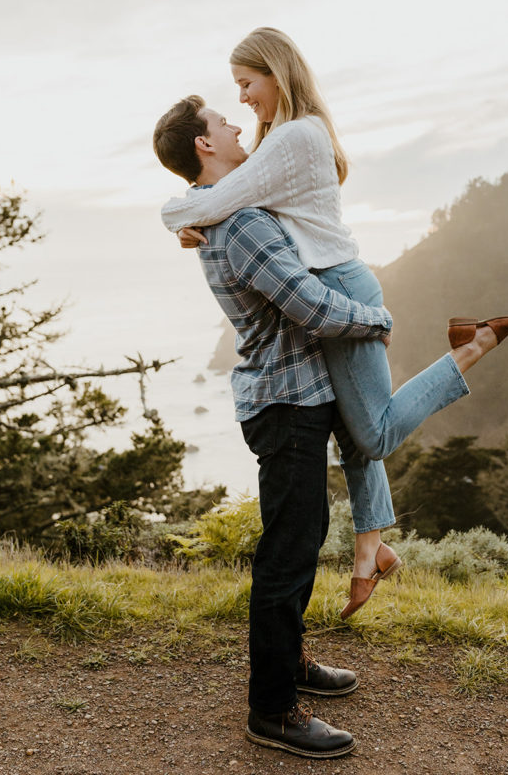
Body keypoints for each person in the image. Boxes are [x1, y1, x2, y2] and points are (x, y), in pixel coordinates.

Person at [161, 28, 508, 618]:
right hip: (327, 285)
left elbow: (209, 201)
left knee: (373, 435)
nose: (243, 99)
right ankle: (370, 554)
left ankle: (471, 345)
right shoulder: (278, 140)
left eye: (246, 83)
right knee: (350, 428)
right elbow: (227, 199)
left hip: (337, 289)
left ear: (276, 73)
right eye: (235, 90)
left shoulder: (295, 135)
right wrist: (195, 223)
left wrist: (176, 217)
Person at [153, 96, 401, 758]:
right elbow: (307, 302)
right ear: (204, 146)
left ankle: (288, 668)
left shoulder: (224, 215)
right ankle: (272, 712)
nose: (236, 124)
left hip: (288, 397)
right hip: (285, 403)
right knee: (288, 553)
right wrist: (376, 320)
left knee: (297, 538)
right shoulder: (237, 225)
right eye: (221, 122)